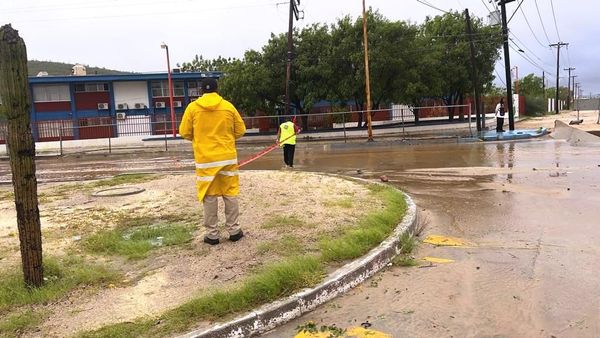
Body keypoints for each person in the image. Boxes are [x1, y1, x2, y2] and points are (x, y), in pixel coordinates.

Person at [179, 78, 246, 245]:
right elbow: (241, 130)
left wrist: (201, 139)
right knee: (230, 193)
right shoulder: (228, 106)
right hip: (227, 156)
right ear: (217, 89)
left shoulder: (193, 108)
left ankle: (212, 234)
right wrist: (227, 139)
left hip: (205, 159)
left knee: (209, 195)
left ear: (201, 90)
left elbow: (184, 132)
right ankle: (234, 230)